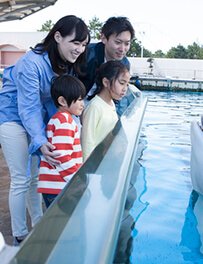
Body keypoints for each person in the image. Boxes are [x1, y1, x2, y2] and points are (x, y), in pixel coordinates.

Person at [0, 15, 90, 246]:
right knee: (21, 177)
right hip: (12, 115)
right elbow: (27, 106)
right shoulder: (31, 63)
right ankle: (20, 235)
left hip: (35, 117)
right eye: (75, 43)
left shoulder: (65, 63)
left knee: (35, 177)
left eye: (83, 44)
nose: (79, 49)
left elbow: (59, 102)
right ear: (57, 36)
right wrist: (40, 140)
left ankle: (38, 226)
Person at [37, 75, 85, 208]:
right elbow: (62, 155)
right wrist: (76, 180)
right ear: (62, 101)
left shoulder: (56, 119)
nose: (83, 104)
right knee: (62, 225)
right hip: (60, 187)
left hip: (54, 185)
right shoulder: (65, 120)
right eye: (79, 99)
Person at [78, 16, 135, 115]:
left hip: (98, 112)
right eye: (118, 42)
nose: (122, 49)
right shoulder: (86, 55)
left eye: (127, 44)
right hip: (76, 109)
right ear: (104, 38)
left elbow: (117, 99)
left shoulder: (124, 64)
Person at [81, 60, 130, 161]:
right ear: (106, 82)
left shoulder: (111, 103)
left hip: (105, 160)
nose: (125, 89)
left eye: (127, 84)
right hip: (94, 164)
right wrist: (86, 171)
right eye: (121, 83)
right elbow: (87, 141)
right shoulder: (95, 107)